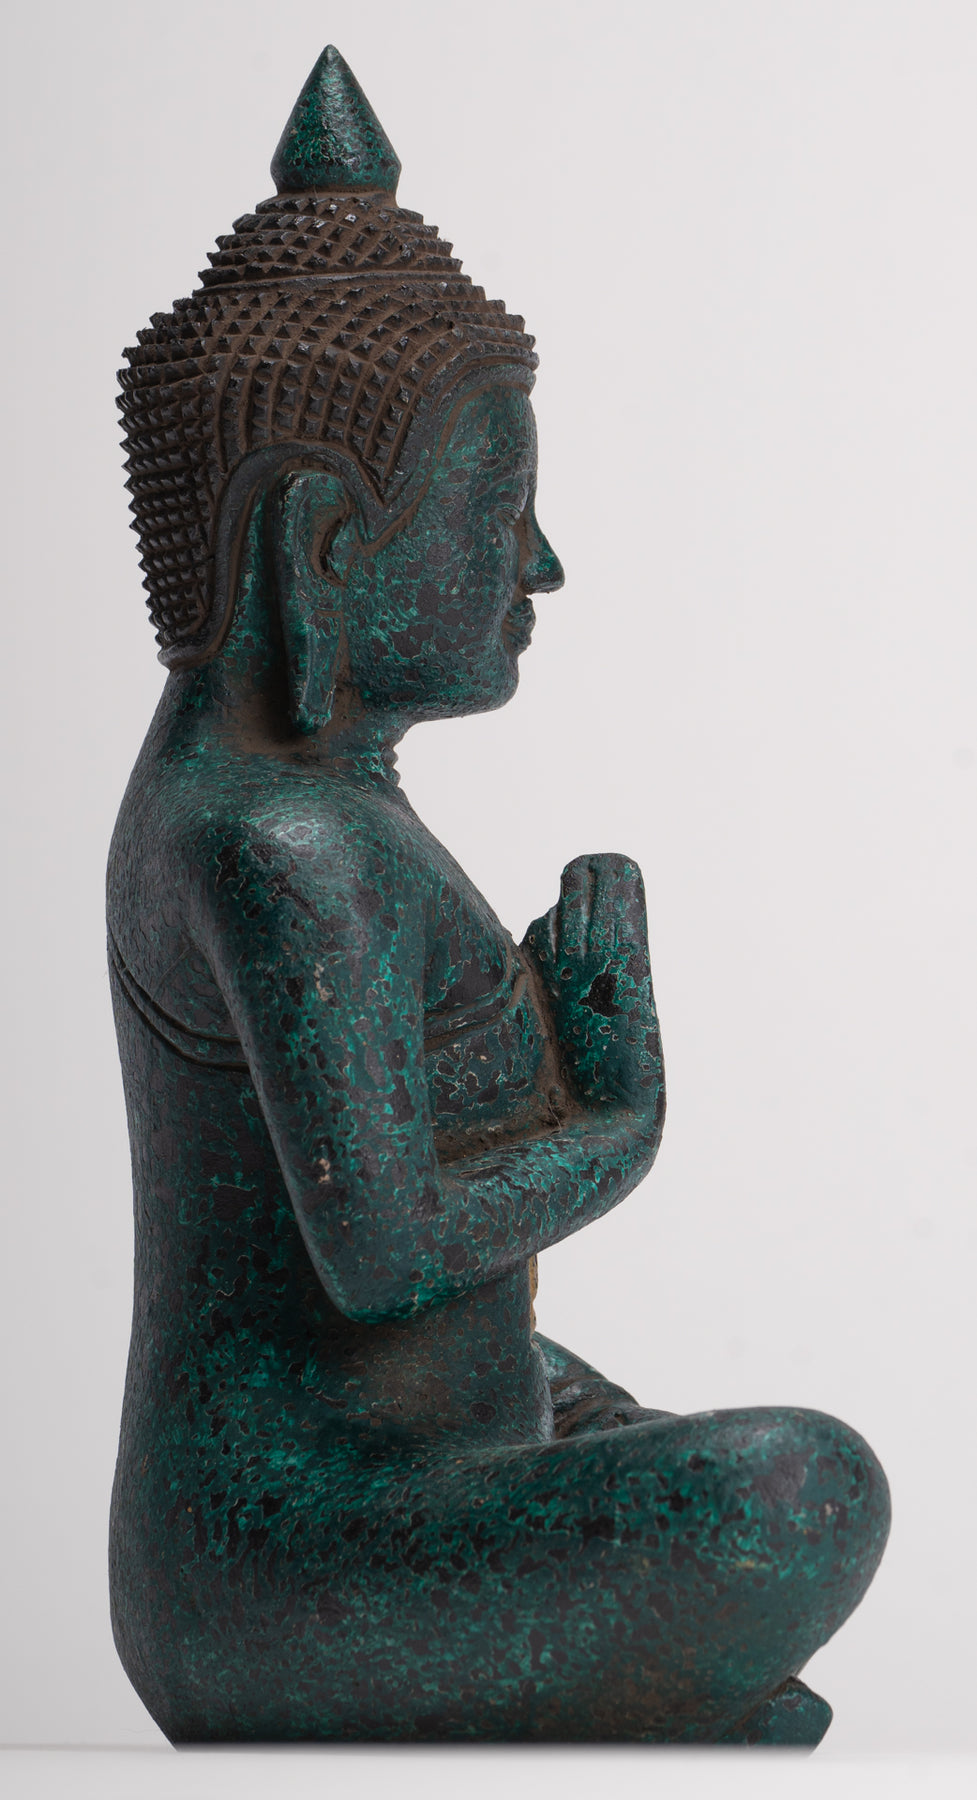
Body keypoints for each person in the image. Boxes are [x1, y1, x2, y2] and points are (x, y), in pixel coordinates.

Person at [108, 47, 889, 1744]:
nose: (537, 564)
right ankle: (651, 1677)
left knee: (700, 1462)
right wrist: (613, 1118)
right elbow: (385, 1256)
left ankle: (644, 1681)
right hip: (288, 1567)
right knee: (801, 1487)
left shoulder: (300, 816)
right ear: (322, 548)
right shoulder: (281, 842)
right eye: (497, 509)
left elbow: (407, 1298)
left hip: (370, 1491)